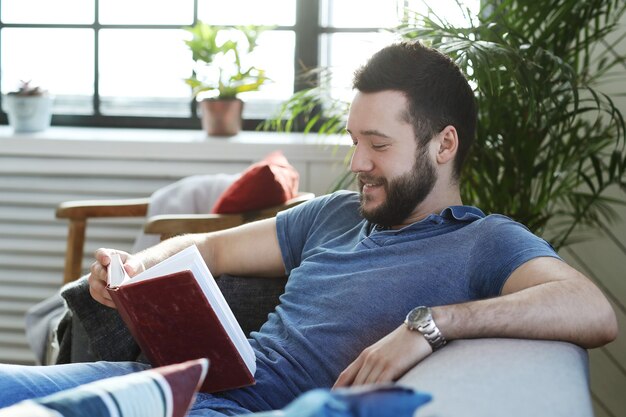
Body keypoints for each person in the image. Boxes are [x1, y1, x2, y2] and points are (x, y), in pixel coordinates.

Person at [0, 41, 617, 416]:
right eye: (355, 141)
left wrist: (431, 325)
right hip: (176, 383)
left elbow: (592, 309)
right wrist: (138, 266)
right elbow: (210, 247)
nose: (357, 163)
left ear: (443, 144)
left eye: (378, 144)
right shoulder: (335, 213)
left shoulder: (484, 240)